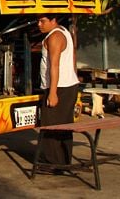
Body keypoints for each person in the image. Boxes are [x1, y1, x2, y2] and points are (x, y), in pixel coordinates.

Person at [37, 15, 80, 166]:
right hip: (68, 84)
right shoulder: (64, 31)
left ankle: (52, 163)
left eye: (43, 21)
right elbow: (73, 56)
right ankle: (62, 161)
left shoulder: (55, 36)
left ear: (53, 20)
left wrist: (53, 93)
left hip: (60, 87)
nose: (39, 24)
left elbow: (54, 65)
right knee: (64, 125)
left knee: (51, 125)